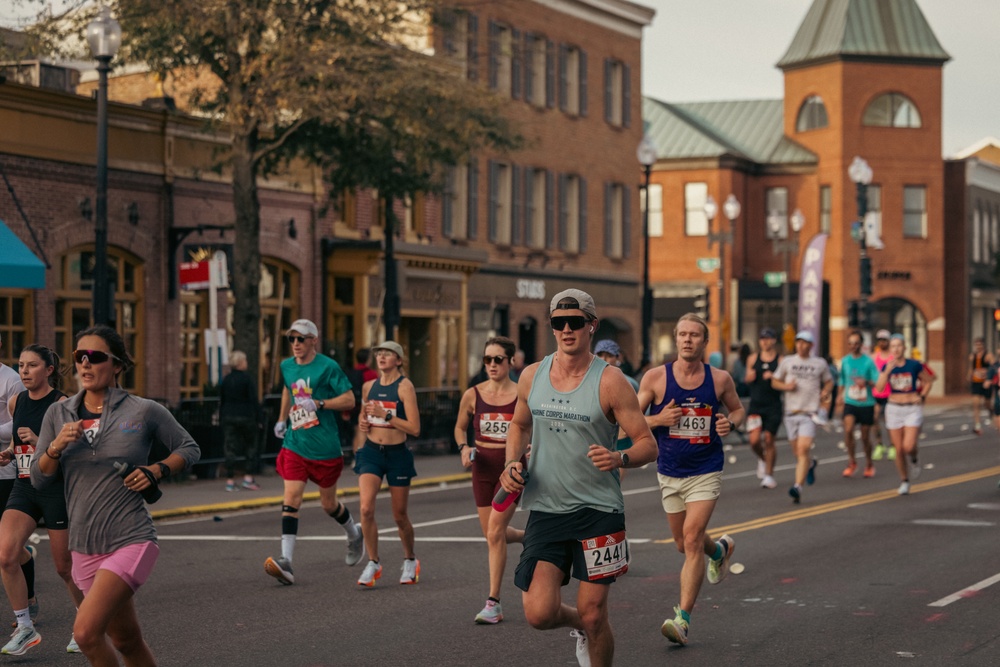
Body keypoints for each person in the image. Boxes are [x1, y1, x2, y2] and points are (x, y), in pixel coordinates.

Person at [499, 289, 658, 667]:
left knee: (594, 612)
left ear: (592, 325)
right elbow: (518, 426)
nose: (566, 329)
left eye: (575, 322)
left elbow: (647, 444)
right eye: (558, 322)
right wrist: (510, 464)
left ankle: (590, 627)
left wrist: (619, 457)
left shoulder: (611, 381)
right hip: (546, 506)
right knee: (539, 613)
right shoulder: (532, 375)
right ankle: (583, 626)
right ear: (552, 327)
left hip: (599, 510)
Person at [30, 324, 200, 665]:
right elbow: (38, 478)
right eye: (80, 357)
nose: (86, 364)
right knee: (125, 639)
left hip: (131, 537)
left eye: (96, 357)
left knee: (86, 633)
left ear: (118, 365)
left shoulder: (142, 410)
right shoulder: (58, 414)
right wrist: (54, 449)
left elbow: (189, 447)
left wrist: (156, 469)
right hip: (85, 545)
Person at [637, 313, 744, 647]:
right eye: (682, 334)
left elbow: (738, 410)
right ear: (675, 338)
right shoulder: (655, 378)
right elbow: (632, 420)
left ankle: (682, 619)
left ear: (704, 341)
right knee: (684, 544)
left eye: (694, 335)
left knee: (692, 537)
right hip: (669, 471)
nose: (687, 340)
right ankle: (721, 550)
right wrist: (659, 418)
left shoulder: (720, 379)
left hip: (706, 469)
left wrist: (731, 423)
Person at [265, 319, 363, 585]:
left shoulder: (328, 367)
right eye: (292, 339)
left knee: (328, 505)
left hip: (324, 447)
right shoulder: (286, 366)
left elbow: (350, 399)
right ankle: (286, 562)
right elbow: (288, 388)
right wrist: (282, 419)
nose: (296, 344)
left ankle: (354, 533)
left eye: (301, 339)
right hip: (296, 443)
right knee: (292, 498)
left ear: (313, 341)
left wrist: (319, 402)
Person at [0, 345, 83, 655]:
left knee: (64, 567)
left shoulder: (62, 404)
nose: (24, 370)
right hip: (24, 485)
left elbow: (73, 453)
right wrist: (9, 452)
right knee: (6, 555)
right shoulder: (15, 400)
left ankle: (86, 621)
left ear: (48, 370)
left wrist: (40, 442)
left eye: (32, 365)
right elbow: (14, 441)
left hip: (54, 488)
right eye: (21, 365)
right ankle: (25, 628)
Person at [453, 336, 524, 623]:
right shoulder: (473, 394)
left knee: (495, 532)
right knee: (492, 534)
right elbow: (459, 428)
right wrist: (464, 447)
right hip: (481, 468)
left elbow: (534, 429)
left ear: (510, 362)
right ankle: (525, 536)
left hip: (510, 471)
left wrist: (529, 447)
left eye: (498, 359)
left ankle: (493, 602)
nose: (492, 365)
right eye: (487, 359)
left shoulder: (522, 394)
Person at [355, 341, 422, 587]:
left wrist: (388, 416)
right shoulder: (367, 387)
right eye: (379, 354)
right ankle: (373, 562)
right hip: (371, 452)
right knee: (365, 509)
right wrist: (364, 426)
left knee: (399, 515)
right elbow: (364, 418)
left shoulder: (405, 387)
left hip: (397, 455)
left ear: (399, 360)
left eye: (388, 354)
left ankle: (410, 559)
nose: (382, 357)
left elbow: (415, 428)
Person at [771, 331, 833, 504]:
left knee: (803, 448)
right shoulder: (788, 362)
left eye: (804, 342)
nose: (800, 345)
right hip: (791, 412)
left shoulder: (819, 363)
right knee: (797, 452)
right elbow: (774, 381)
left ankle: (797, 486)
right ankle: (811, 464)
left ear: (811, 345)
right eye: (798, 342)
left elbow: (829, 381)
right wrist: (786, 386)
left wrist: (826, 391)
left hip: (809, 413)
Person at [874, 334, 935, 495]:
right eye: (893, 346)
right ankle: (904, 480)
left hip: (911, 408)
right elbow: (879, 388)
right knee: (899, 449)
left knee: (909, 446)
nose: (896, 349)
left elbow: (928, 381)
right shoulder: (887, 367)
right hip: (894, 408)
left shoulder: (913, 365)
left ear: (904, 347)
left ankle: (914, 459)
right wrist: (886, 372)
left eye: (899, 345)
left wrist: (921, 397)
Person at [836, 331, 880, 478]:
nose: (853, 346)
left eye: (856, 343)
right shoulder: (845, 361)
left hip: (866, 403)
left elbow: (877, 382)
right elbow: (842, 380)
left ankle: (869, 463)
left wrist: (866, 382)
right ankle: (852, 461)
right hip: (850, 401)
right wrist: (839, 396)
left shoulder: (868, 362)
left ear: (861, 345)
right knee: (848, 429)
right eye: (850, 343)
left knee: (865, 437)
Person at [745, 328, 783, 489]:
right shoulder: (753, 358)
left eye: (768, 338)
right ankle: (763, 458)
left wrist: (773, 377)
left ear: (774, 340)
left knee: (769, 439)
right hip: (756, 404)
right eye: (762, 339)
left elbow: (785, 380)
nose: (765, 341)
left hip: (773, 405)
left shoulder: (780, 360)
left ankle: (769, 475)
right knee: (754, 441)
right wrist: (750, 377)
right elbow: (746, 378)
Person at [219, 350, 261, 492]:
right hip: (246, 416)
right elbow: (253, 399)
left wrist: (221, 418)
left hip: (229, 416)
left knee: (230, 447)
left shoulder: (226, 380)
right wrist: (259, 417)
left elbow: (222, 400)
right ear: (241, 363)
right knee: (250, 446)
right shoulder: (247, 379)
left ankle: (230, 480)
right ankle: (248, 478)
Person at [346, 349, 378, 456]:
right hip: (366, 407)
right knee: (363, 433)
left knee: (357, 432)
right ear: (368, 359)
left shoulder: (351, 372)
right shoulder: (371, 374)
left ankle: (356, 456)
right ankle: (360, 457)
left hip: (353, 407)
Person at [870, 330, 894, 462]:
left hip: (890, 394)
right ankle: (879, 444)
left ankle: (892, 446)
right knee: (874, 419)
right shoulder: (874, 357)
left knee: (888, 421)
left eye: (884, 340)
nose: (882, 342)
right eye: (880, 340)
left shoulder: (892, 358)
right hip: (876, 393)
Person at [968, 337, 993, 435]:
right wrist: (969, 376)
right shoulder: (972, 356)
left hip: (986, 383)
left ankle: (991, 412)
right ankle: (977, 425)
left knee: (987, 403)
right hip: (976, 382)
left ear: (983, 345)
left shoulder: (988, 356)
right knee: (976, 404)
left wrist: (987, 373)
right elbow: (971, 368)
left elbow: (994, 367)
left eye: (980, 345)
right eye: (976, 345)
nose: (978, 347)